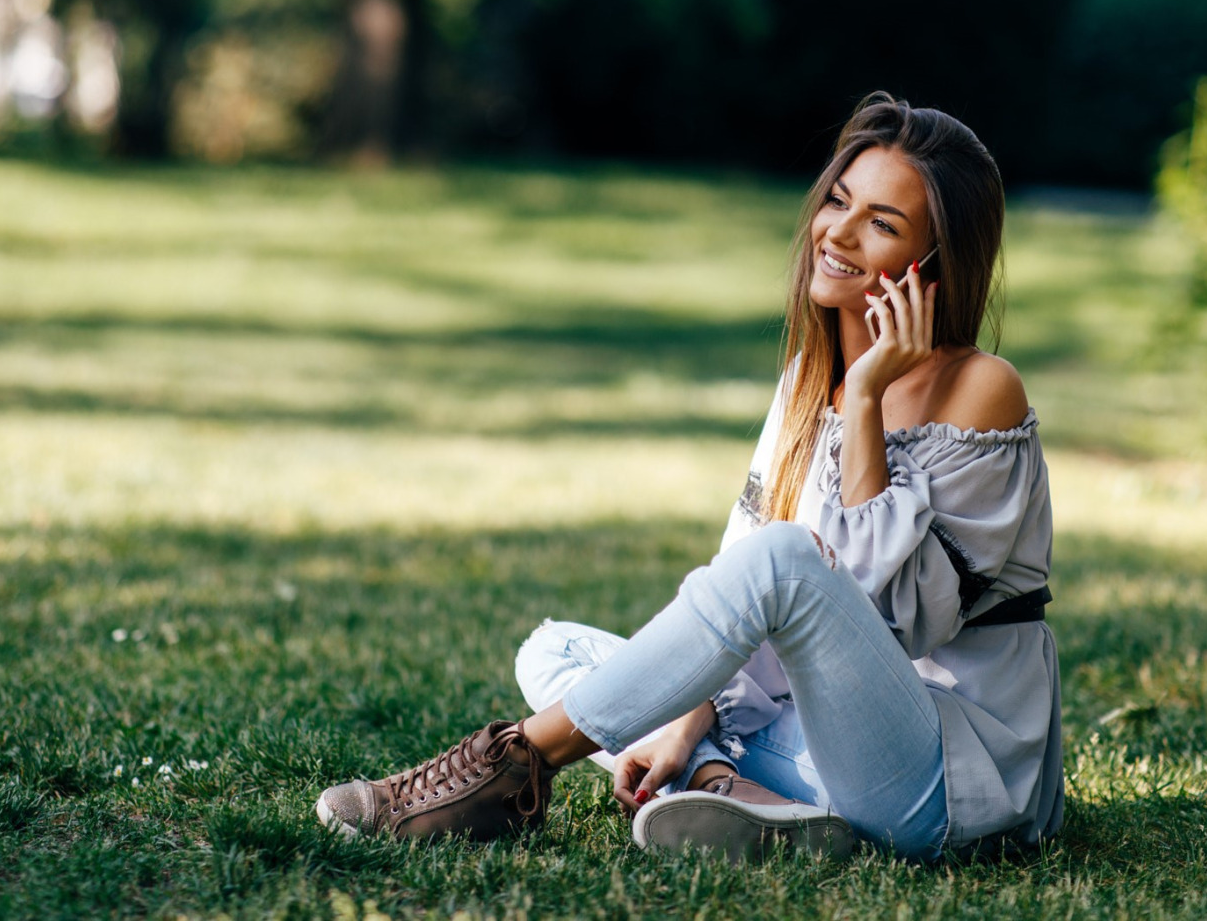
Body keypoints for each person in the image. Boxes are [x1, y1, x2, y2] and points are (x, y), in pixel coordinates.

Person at [316, 92, 1062, 862]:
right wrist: (693, 714)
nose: (836, 232)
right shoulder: (812, 380)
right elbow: (737, 583)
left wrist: (870, 396)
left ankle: (510, 767)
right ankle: (733, 793)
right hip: (809, 746)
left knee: (781, 561)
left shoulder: (981, 389)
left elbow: (891, 616)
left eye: (881, 223)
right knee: (553, 652)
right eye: (837, 200)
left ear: (935, 262)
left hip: (939, 780)